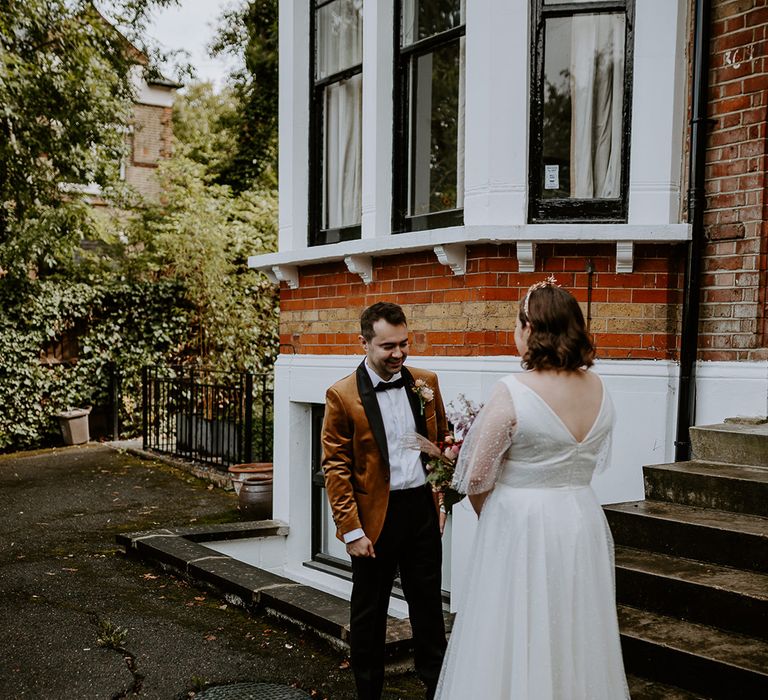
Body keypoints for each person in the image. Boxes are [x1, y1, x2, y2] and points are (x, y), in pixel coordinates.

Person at [435, 277, 629, 699]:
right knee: (574, 627)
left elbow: (475, 478)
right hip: (580, 518)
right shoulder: (599, 387)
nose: (513, 332)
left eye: (516, 323)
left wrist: (496, 513)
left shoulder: (513, 390)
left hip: (521, 525)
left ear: (530, 329)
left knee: (512, 626)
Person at [322, 301, 448, 700]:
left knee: (428, 607)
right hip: (374, 519)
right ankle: (369, 692)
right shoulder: (342, 395)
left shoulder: (425, 382)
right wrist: (352, 531)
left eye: (404, 344)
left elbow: (441, 447)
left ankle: (435, 687)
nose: (398, 354)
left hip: (420, 511)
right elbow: (335, 468)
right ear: (364, 343)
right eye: (388, 346)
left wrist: (440, 501)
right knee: (369, 613)